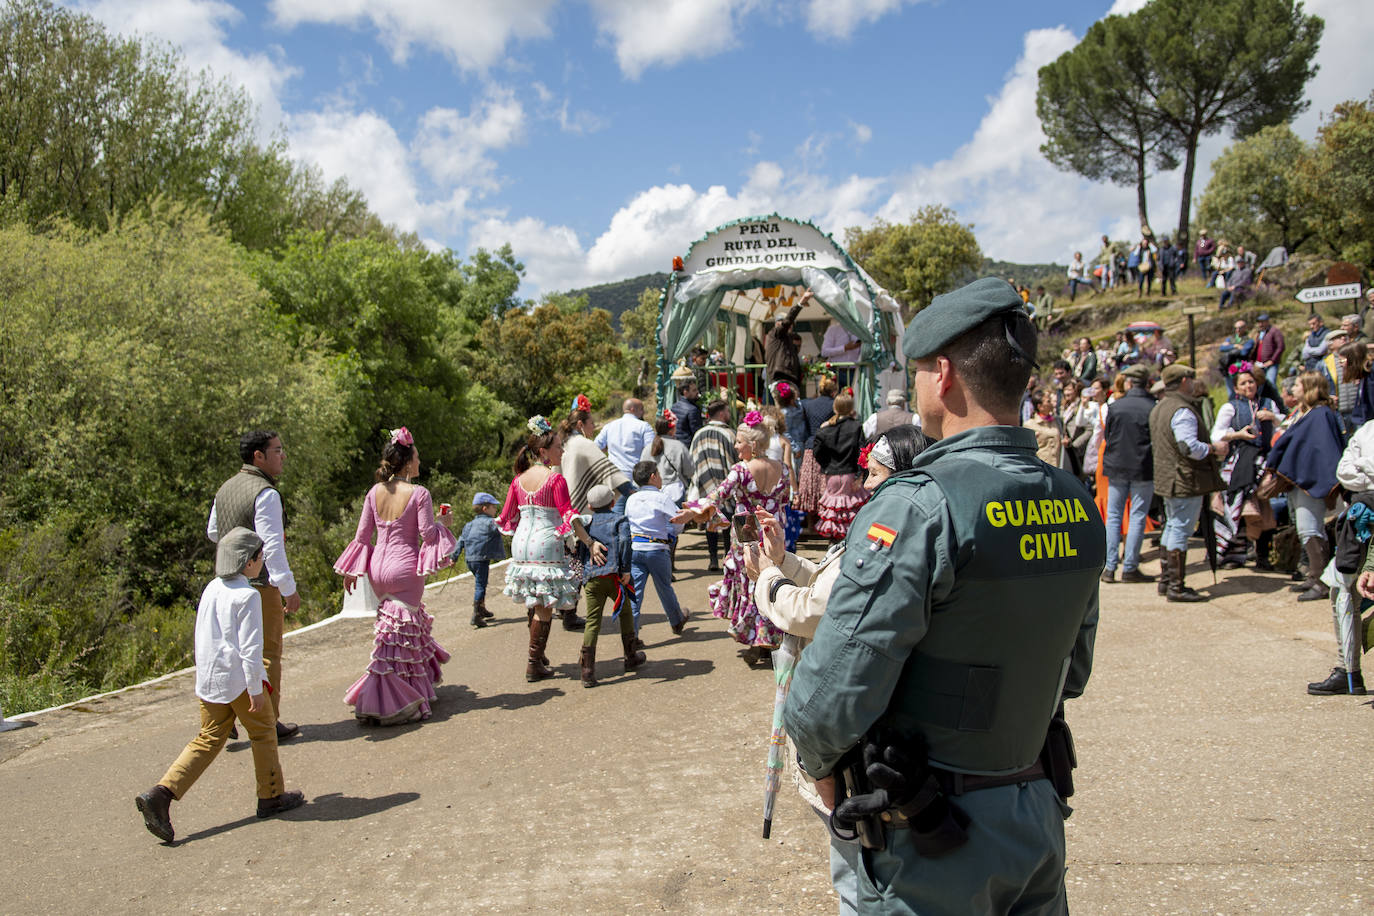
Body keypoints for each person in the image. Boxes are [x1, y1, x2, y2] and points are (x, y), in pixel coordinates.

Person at [784, 277, 1103, 914]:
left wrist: (815, 754)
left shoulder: (920, 506)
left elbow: (835, 688)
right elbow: (1073, 672)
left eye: (919, 370)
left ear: (945, 375)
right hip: (1034, 813)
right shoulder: (1073, 500)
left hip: (929, 838)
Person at [744, 425, 931, 910]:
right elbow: (836, 584)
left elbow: (811, 612)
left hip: (857, 729)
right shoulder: (894, 529)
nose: (865, 485)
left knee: (858, 859)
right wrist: (784, 561)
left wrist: (766, 578)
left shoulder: (888, 536)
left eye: (874, 474)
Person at [135, 528, 305, 842]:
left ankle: (161, 794)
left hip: (209, 679)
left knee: (208, 738)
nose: (262, 561)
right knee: (264, 731)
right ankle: (271, 796)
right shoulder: (248, 595)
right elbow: (251, 650)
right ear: (248, 561)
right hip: (240, 680)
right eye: (259, 556)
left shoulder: (212, 588)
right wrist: (256, 688)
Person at [335, 428, 456, 724]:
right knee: (403, 633)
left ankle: (401, 691)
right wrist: (444, 524)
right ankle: (394, 699)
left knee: (392, 631)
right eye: (417, 457)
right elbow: (427, 535)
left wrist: (351, 570)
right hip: (405, 568)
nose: (419, 462)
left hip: (378, 570)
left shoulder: (374, 492)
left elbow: (362, 537)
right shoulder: (420, 493)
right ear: (407, 463)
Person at [497, 417, 607, 682]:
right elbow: (568, 515)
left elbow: (507, 517)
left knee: (534, 599)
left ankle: (540, 655)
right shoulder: (554, 480)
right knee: (545, 604)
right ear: (543, 451)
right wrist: (589, 543)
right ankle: (533, 663)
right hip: (546, 544)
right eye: (558, 447)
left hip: (522, 543)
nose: (562, 451)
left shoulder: (518, 480)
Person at [207, 430, 300, 741]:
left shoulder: (225, 489)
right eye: (277, 450)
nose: (283, 455)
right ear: (258, 456)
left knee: (229, 651)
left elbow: (213, 533)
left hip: (223, 584)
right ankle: (267, 721)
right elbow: (272, 547)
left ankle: (225, 719)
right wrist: (287, 587)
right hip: (258, 585)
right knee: (267, 654)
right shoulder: (265, 493)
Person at [701, 414, 789, 663]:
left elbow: (717, 496)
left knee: (750, 582)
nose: (736, 447)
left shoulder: (740, 470)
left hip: (746, 529)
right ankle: (772, 635)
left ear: (752, 444)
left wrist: (695, 511)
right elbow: (785, 500)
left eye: (740, 442)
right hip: (773, 529)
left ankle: (756, 638)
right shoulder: (781, 467)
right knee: (773, 579)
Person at [1265, 372, 1346, 602]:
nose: (1294, 387)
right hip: (1301, 482)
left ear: (1309, 387)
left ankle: (1321, 581)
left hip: (1311, 482)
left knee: (1310, 529)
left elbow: (1324, 452)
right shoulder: (1308, 413)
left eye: (1299, 384)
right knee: (1306, 529)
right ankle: (1314, 575)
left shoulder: (1320, 415)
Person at [1150, 364, 1227, 602]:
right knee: (1180, 529)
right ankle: (1176, 586)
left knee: (1172, 527)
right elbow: (1188, 447)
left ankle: (1167, 581)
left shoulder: (1160, 407)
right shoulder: (1181, 410)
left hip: (1169, 478)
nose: (1194, 384)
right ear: (1184, 381)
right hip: (1184, 478)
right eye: (1191, 380)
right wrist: (1214, 448)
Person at [1209, 370, 1281, 571]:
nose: (1248, 386)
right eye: (1243, 383)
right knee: (1236, 506)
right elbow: (1217, 434)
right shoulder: (1230, 407)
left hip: (1263, 462)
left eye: (1251, 382)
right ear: (1236, 388)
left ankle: (1262, 555)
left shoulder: (1268, 404)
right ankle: (1234, 555)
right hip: (1239, 462)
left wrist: (1273, 418)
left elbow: (1283, 426)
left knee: (1264, 506)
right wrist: (1237, 434)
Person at [574, 484, 642, 687]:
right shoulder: (619, 519)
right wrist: (626, 570)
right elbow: (624, 542)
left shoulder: (586, 523)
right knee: (626, 612)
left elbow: (579, 547)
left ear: (589, 506)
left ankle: (587, 671)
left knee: (592, 621)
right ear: (613, 503)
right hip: (615, 577)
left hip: (593, 578)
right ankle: (630, 657)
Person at [626, 460, 694, 639]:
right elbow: (677, 522)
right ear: (653, 477)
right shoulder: (662, 498)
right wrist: (671, 534)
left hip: (635, 548)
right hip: (657, 548)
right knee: (665, 587)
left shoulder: (631, 499)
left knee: (635, 593)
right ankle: (676, 620)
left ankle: (631, 634)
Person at [1102, 364, 1157, 583]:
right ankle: (1130, 567)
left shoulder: (1116, 406)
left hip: (1116, 464)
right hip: (1142, 466)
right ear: (1147, 383)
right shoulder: (1152, 406)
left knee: (1114, 515)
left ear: (1129, 382)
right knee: (1137, 516)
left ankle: (1109, 567)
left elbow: (1108, 434)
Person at [689, 398, 738, 571]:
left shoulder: (698, 434)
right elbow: (736, 459)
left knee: (710, 522)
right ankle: (726, 556)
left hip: (704, 484)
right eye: (727, 411)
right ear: (722, 413)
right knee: (726, 520)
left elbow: (692, 459)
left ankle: (712, 560)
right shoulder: (729, 434)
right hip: (725, 484)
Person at [812, 393, 868, 540]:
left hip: (832, 474)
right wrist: (860, 474)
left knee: (835, 510)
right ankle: (850, 539)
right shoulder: (856, 426)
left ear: (835, 408)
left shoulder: (825, 429)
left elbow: (817, 451)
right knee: (851, 509)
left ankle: (834, 540)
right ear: (851, 408)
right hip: (850, 473)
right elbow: (862, 451)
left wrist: (826, 465)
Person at [451, 492, 504, 628]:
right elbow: (505, 528)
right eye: (493, 507)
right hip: (481, 559)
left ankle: (482, 608)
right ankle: (477, 615)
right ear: (485, 508)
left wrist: (454, 558)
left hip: (470, 560)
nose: (495, 509)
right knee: (480, 585)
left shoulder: (469, 524)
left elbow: (461, 541)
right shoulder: (491, 523)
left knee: (480, 583)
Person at [595, 399, 656, 505]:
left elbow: (596, 447)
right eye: (642, 409)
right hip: (634, 477)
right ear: (633, 409)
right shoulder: (643, 426)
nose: (643, 413)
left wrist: (607, 449)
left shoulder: (610, 426)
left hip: (613, 476)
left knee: (615, 510)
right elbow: (651, 450)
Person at [796, 375, 840, 519]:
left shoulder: (807, 404)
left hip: (810, 446)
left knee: (810, 486)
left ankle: (810, 523)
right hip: (828, 447)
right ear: (833, 391)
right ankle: (825, 519)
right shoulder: (834, 404)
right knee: (824, 485)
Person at [643, 411, 694, 505]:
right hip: (675, 492)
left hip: (653, 492)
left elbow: (642, 470)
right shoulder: (679, 446)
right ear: (671, 429)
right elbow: (690, 471)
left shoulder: (648, 448)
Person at [766, 289, 811, 391]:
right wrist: (801, 302)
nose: (790, 327)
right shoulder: (775, 334)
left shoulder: (785, 339)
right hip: (781, 378)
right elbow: (787, 321)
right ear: (778, 323)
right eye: (788, 324)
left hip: (788, 379)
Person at [1024, 389, 1064, 466]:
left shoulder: (1056, 421)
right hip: (1041, 467)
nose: (1052, 404)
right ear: (1040, 406)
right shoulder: (1030, 425)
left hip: (1057, 466)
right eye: (1048, 401)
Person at [671, 374, 704, 447]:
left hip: (676, 444)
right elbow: (697, 433)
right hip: (688, 446)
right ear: (685, 392)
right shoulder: (693, 410)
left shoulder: (674, 406)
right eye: (694, 390)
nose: (697, 392)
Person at [1255, 313, 1286, 387]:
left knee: (1270, 383)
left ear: (1267, 322)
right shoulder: (1260, 333)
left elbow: (1281, 346)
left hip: (1271, 364)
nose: (1260, 324)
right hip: (1259, 364)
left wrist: (1272, 360)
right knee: (1260, 385)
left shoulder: (1274, 331)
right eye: (1259, 322)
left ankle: (1273, 398)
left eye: (1262, 322)